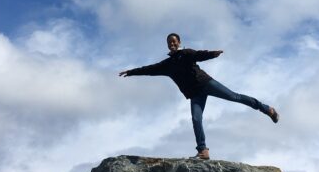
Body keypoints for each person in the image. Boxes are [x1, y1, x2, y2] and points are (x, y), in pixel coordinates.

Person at [119, 33, 279, 160]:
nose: (172, 44)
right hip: (195, 94)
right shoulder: (167, 65)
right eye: (169, 42)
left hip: (206, 83)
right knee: (196, 119)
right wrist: (131, 72)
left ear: (179, 42)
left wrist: (212, 54)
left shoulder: (186, 53)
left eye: (174, 41)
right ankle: (203, 151)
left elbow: (199, 55)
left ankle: (267, 109)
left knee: (234, 97)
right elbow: (149, 69)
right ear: (167, 45)